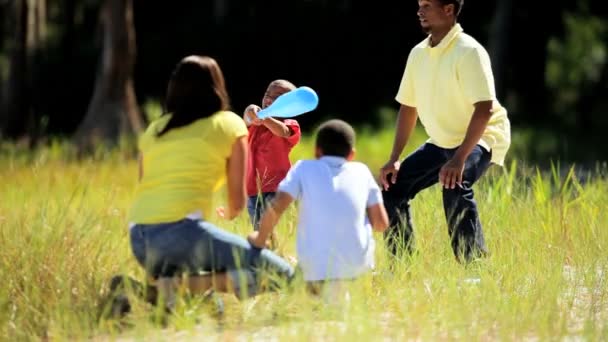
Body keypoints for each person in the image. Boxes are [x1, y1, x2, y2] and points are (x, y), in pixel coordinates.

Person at [127, 56, 294, 309]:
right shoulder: (229, 124)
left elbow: (144, 189)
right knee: (284, 275)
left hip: (139, 239)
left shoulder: (154, 129)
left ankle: (157, 291)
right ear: (217, 86)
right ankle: (174, 287)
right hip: (182, 235)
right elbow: (237, 204)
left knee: (213, 307)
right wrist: (228, 214)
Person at [379, 0, 511, 263]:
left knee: (455, 183)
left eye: (427, 5)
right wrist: (394, 157)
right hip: (441, 141)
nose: (419, 11)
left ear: (449, 9)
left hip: (483, 136)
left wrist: (459, 159)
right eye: (418, 5)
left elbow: (483, 109)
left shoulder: (469, 51)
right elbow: (408, 107)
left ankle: (474, 270)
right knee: (391, 187)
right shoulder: (418, 54)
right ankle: (404, 265)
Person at [248, 119, 389, 301]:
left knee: (295, 287)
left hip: (314, 267)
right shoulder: (362, 171)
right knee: (332, 292)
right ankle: (334, 295)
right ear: (352, 154)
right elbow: (381, 224)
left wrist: (259, 239)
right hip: (358, 266)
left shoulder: (303, 167)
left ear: (317, 151)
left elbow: (276, 207)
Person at [243, 80, 301, 232]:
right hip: (253, 189)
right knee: (259, 231)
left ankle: (279, 254)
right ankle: (269, 254)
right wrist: (250, 109)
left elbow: (282, 131)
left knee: (272, 229)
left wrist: (265, 117)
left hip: (278, 188)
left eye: (278, 97)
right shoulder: (255, 125)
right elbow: (246, 118)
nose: (269, 99)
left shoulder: (290, 123)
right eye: (267, 94)